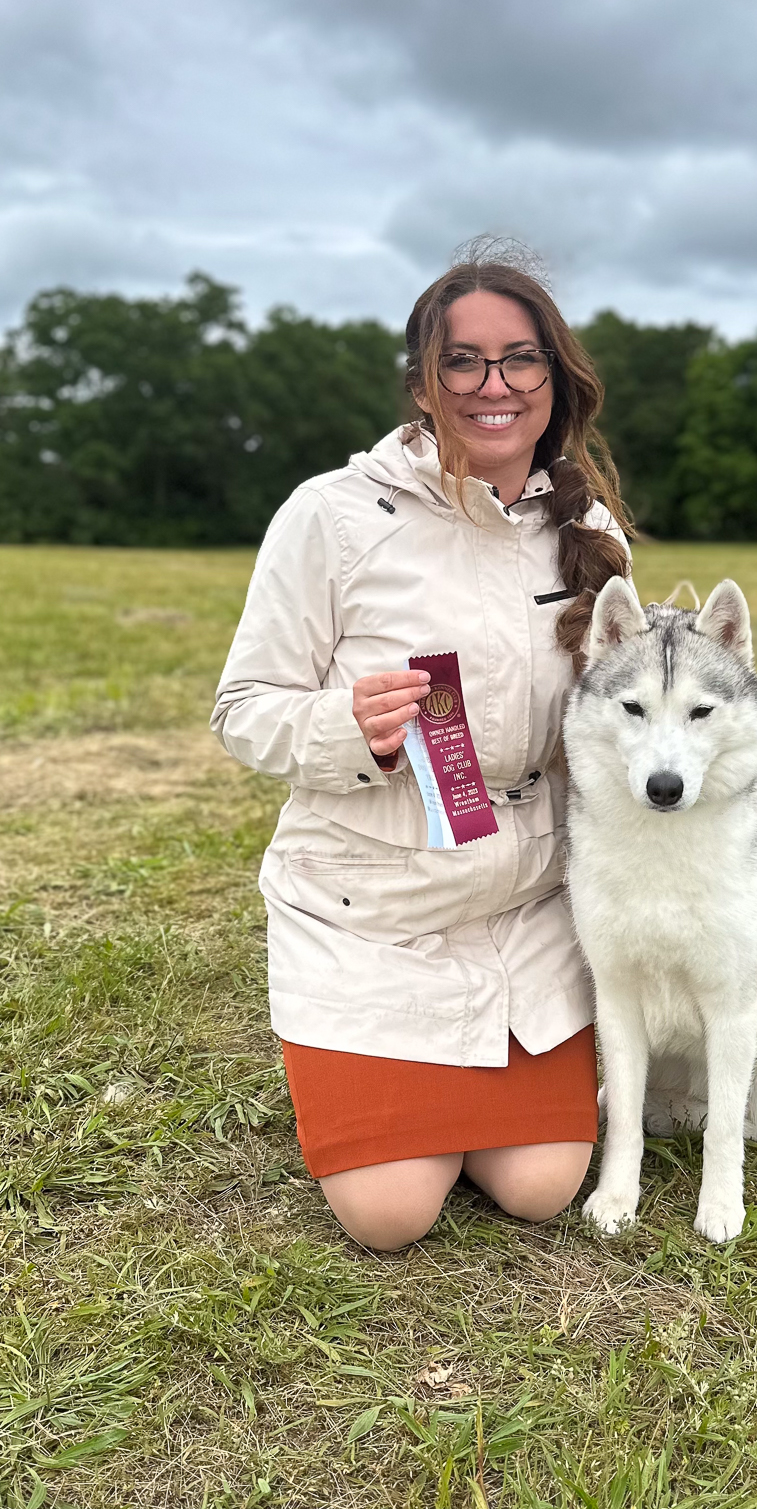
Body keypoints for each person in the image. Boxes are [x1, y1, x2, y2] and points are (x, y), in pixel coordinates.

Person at [211, 242, 632, 1250]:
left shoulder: (587, 524)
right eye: (463, 362)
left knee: (540, 1188)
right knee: (392, 1215)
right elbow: (243, 708)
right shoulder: (330, 514)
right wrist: (345, 728)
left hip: (527, 909)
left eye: (520, 359)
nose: (495, 386)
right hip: (370, 914)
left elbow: (624, 714)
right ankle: (359, 1071)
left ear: (554, 377)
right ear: (421, 383)